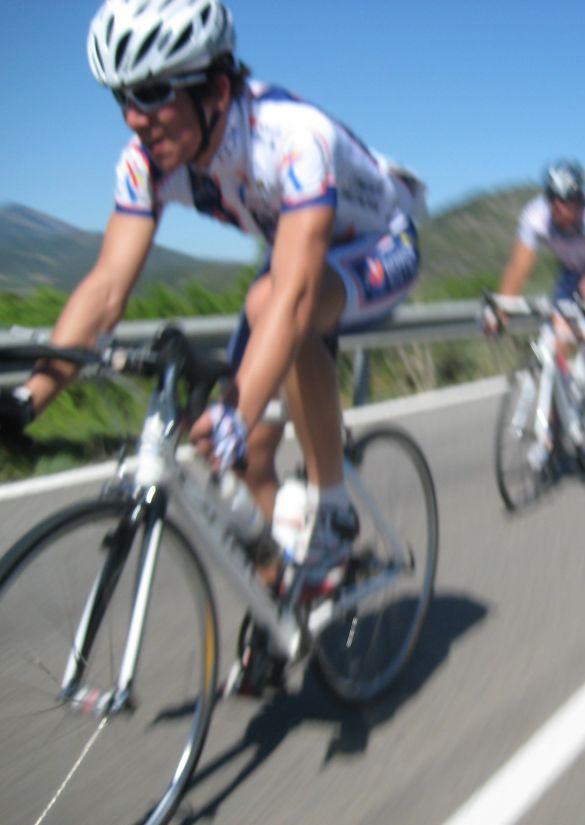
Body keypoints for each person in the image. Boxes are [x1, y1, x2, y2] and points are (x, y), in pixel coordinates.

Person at [0, 0, 426, 692]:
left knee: (266, 323)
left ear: (217, 88)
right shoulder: (146, 162)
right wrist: (29, 398)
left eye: (151, 94)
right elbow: (106, 287)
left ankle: (334, 512)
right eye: (121, 98)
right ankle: (285, 595)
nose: (133, 118)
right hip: (297, 257)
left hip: (379, 247)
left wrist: (235, 407)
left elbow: (292, 299)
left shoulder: (292, 137)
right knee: (248, 455)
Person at [487, 160, 585, 407]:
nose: (560, 207)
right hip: (573, 269)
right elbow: (518, 268)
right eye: (553, 199)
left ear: (581, 200)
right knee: (555, 343)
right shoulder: (535, 216)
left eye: (568, 200)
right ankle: (556, 418)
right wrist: (499, 311)